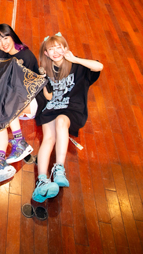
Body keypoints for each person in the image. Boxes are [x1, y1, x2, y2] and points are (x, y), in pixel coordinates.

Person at [31, 34, 103, 203]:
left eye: (59, 47)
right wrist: (43, 82)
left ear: (65, 48)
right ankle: (41, 181)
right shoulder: (46, 70)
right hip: (52, 108)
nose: (56, 52)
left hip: (72, 109)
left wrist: (76, 59)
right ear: (46, 53)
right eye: (51, 49)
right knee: (48, 139)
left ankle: (59, 168)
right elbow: (48, 97)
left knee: (62, 121)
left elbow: (99, 66)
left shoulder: (76, 65)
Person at [0, 24, 38, 185]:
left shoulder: (27, 56)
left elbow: (32, 87)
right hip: (9, 105)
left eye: (6, 38)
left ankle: (19, 141)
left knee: (4, 102)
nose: (3, 43)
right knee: (1, 117)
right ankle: (0, 161)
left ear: (13, 36)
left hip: (30, 101)